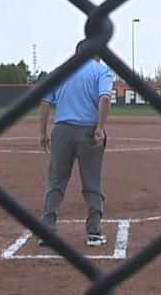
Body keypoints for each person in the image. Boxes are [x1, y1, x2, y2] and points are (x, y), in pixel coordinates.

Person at [38, 41, 114, 245]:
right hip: (88, 131)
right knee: (92, 181)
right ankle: (94, 232)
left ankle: (47, 229)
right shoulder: (101, 71)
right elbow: (104, 98)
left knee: (55, 181)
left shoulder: (61, 71)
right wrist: (100, 128)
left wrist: (43, 133)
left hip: (61, 131)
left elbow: (45, 103)